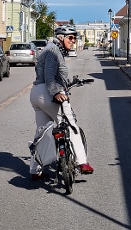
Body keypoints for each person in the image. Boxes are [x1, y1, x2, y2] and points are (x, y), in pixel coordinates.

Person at [29, 25, 94, 181]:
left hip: (37, 93)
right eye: (70, 37)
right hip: (48, 92)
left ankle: (35, 169)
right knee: (71, 125)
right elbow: (49, 75)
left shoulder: (47, 49)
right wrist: (56, 91)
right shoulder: (53, 51)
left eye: (74, 38)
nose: (73, 41)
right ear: (60, 37)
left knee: (41, 133)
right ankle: (82, 162)